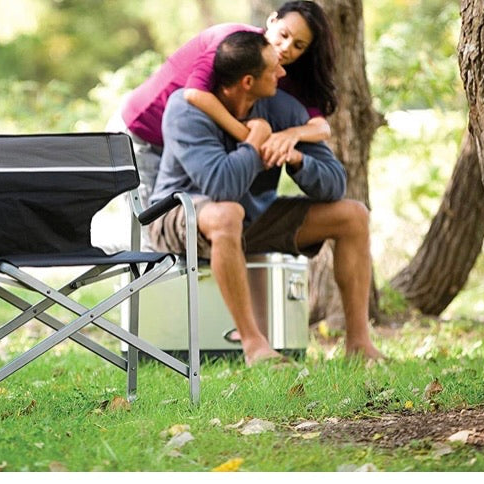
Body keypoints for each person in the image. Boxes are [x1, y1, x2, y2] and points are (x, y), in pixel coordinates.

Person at [148, 30, 383, 365]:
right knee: (227, 212)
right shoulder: (185, 111)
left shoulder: (282, 108)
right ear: (247, 81)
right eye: (273, 69)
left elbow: (335, 184)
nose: (283, 73)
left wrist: (297, 158)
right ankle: (254, 345)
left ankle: (359, 345)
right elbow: (221, 186)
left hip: (249, 218)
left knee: (353, 215)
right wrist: (256, 141)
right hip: (179, 215)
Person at [119, 0, 336, 205]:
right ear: (272, 20)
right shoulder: (234, 42)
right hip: (145, 130)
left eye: (298, 45)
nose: (287, 47)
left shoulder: (278, 72)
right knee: (151, 227)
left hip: (190, 145)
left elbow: (321, 127)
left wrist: (290, 135)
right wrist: (250, 136)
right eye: (283, 34)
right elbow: (194, 93)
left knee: (197, 224)